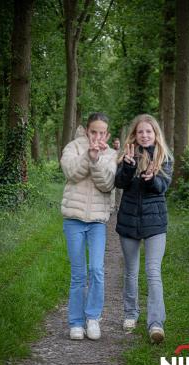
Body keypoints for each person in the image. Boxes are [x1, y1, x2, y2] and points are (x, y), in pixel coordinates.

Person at [115, 114, 173, 344]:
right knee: (130, 271)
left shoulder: (165, 157)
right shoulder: (127, 155)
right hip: (129, 221)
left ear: (155, 133)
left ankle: (156, 324)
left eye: (149, 131)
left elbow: (162, 187)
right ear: (135, 135)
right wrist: (128, 167)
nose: (145, 135)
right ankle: (130, 314)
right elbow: (119, 183)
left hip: (155, 224)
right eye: (141, 132)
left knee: (153, 272)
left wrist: (150, 178)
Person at [60, 112, 117, 341]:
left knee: (96, 269)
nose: (97, 136)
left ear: (108, 133)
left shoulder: (112, 154)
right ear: (86, 130)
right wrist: (87, 155)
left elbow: (108, 185)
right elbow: (71, 174)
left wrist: (96, 160)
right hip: (73, 219)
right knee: (78, 273)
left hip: (97, 222)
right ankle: (75, 322)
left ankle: (92, 318)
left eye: (102, 132)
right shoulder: (72, 147)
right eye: (94, 131)